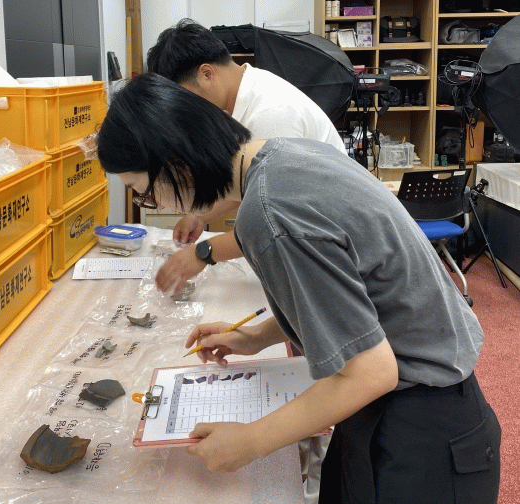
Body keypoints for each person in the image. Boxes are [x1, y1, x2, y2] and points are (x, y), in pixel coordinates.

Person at [97, 73, 501, 504]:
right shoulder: (283, 156)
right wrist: (259, 335)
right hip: (405, 401)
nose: (158, 206)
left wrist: (251, 441)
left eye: (145, 192)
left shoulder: (270, 212)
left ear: (176, 164)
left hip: (423, 426)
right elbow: (346, 290)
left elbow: (371, 372)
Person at [146, 19, 347, 297]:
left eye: (185, 100)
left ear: (206, 74)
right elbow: (255, 184)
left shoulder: (270, 114)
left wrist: (203, 253)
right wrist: (200, 216)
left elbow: (275, 223)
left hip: (333, 243)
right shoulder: (247, 92)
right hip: (310, 228)